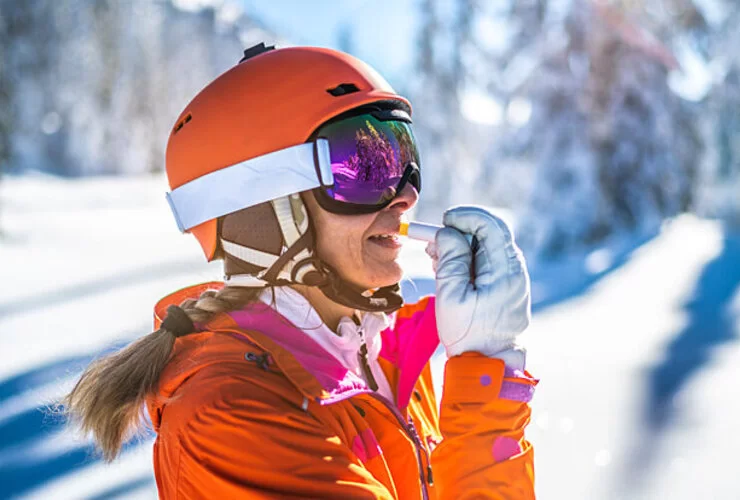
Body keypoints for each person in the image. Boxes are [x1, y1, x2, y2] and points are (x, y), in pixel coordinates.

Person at [64, 44, 537, 499]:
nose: (406, 194)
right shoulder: (229, 416)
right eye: (364, 167)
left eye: (404, 159)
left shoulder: (382, 359)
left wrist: (486, 361)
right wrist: (486, 411)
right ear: (264, 211)